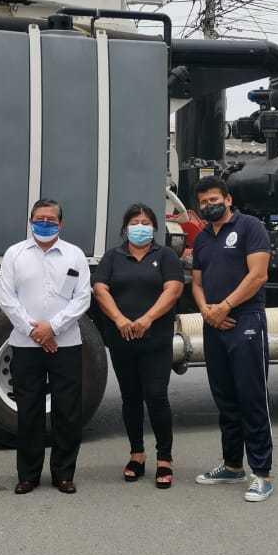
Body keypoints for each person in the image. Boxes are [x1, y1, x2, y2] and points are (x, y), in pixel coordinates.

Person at [189, 175, 275, 502]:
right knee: (224, 398)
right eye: (203, 202)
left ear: (228, 200)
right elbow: (197, 283)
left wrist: (224, 307)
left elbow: (258, 275)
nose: (208, 205)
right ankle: (232, 466)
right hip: (214, 323)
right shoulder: (202, 239)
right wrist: (207, 311)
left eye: (214, 200)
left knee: (251, 397)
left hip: (245, 321)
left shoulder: (250, 227)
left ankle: (262, 473)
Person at [0, 199, 91, 495]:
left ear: (61, 224)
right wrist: (34, 331)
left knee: (68, 411)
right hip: (25, 345)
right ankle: (28, 475)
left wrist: (53, 328)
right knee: (29, 411)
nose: (45, 223)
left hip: (67, 344)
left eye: (51, 219)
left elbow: (82, 299)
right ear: (30, 221)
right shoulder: (14, 254)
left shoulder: (75, 255)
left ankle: (64, 474)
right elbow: (7, 299)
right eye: (40, 218)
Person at [92, 203, 185, 489]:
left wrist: (147, 319)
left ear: (154, 228)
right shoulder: (113, 256)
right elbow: (100, 289)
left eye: (146, 222)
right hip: (122, 339)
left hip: (155, 339)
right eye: (134, 222)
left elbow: (173, 289)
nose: (140, 227)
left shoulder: (166, 255)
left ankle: (165, 458)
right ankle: (137, 454)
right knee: (130, 398)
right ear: (125, 228)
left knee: (156, 396)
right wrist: (120, 320)